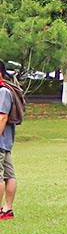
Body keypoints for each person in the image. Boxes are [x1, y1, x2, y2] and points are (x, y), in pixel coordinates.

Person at [0, 63, 23, 219]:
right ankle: (7, 209)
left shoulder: (3, 92)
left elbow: (2, 116)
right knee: (9, 175)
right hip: (5, 142)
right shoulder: (7, 89)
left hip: (1, 141)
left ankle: (5, 208)